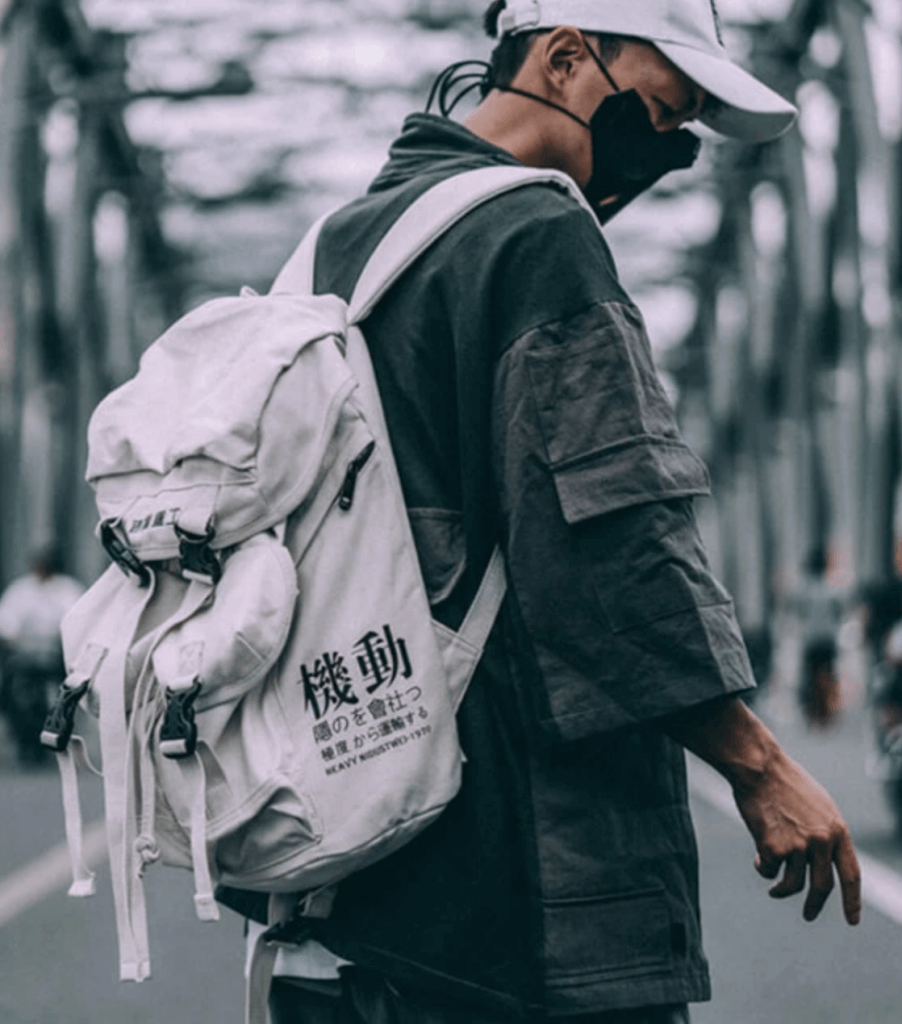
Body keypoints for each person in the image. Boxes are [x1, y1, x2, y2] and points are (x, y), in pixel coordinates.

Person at [223, 2, 862, 1021]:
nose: (670, 153)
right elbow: (608, 543)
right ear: (564, 57)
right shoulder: (534, 233)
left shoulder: (336, 250)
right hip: (517, 905)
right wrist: (760, 764)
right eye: (661, 114)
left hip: (333, 885)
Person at [0, 545, 84, 765]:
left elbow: (75, 621)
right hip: (25, 654)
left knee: (71, 690)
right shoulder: (20, 590)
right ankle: (21, 733)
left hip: (56, 654)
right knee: (9, 689)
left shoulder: (68, 589)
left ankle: (61, 727)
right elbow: (7, 622)